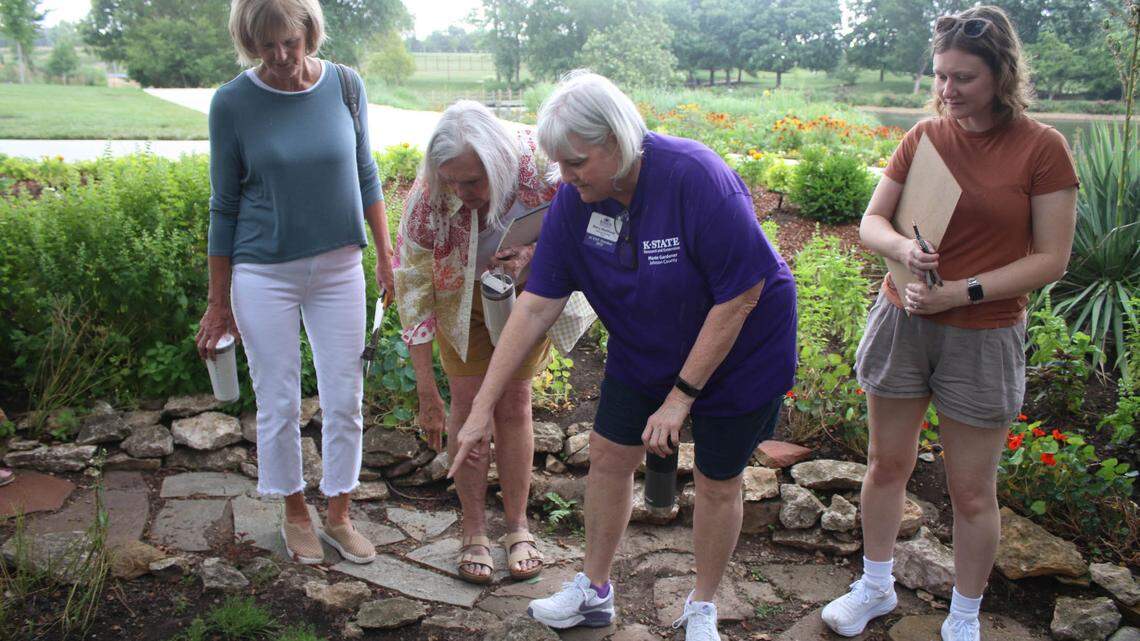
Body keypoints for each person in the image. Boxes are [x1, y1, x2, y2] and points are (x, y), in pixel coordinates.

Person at [449, 71, 797, 641]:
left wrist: (680, 399)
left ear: (617, 140)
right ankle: (594, 592)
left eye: (577, 161)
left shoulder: (695, 176)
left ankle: (702, 606)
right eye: (559, 163)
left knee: (717, 479)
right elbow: (536, 307)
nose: (564, 177)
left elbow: (741, 294)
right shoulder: (576, 203)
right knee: (610, 456)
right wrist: (483, 404)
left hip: (741, 348)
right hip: (647, 342)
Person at [820, 7, 1079, 641]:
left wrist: (962, 292)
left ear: (1002, 74)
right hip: (903, 320)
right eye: (940, 76)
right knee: (886, 465)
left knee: (970, 491)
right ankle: (876, 585)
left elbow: (1052, 258)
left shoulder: (1043, 148)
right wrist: (904, 253)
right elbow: (871, 222)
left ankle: (964, 616)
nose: (947, 91)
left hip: (984, 334)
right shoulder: (925, 135)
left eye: (962, 78)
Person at [197, 0, 393, 566]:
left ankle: (339, 515)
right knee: (279, 401)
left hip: (339, 270)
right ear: (249, 41)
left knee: (345, 398)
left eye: (292, 41)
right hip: (263, 273)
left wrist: (385, 254)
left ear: (310, 30)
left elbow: (365, 171)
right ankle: (294, 512)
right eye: (267, 45)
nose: (282, 56)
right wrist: (218, 303)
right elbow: (224, 206)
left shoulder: (345, 86)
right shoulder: (232, 103)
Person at [393, 100, 556, 583]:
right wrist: (427, 389)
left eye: (474, 181)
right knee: (466, 403)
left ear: (501, 164)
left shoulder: (542, 171)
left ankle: (518, 526)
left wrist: (530, 254)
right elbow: (414, 292)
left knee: (514, 404)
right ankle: (473, 530)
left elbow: (580, 228)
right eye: (452, 181)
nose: (461, 193)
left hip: (522, 295)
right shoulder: (427, 201)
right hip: (457, 301)